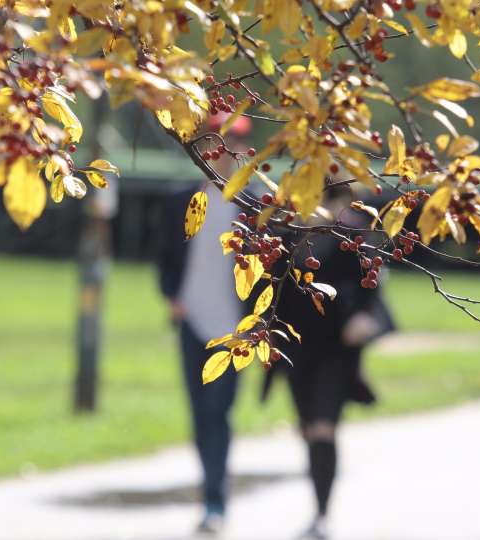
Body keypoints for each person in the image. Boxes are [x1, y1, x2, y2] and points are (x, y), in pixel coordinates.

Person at [263, 188, 395, 539]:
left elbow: (372, 284)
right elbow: (269, 290)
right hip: (296, 348)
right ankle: (318, 506)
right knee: (309, 429)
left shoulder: (351, 238)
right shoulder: (284, 235)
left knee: (323, 427)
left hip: (336, 351)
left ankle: (322, 515)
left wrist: (365, 317)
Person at [156, 114, 252, 534]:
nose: (225, 151)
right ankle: (210, 493)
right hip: (192, 324)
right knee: (200, 416)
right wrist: (173, 297)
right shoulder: (182, 200)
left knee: (219, 413)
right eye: (217, 142)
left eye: (233, 142)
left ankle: (216, 502)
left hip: (235, 331)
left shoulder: (255, 207)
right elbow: (164, 255)